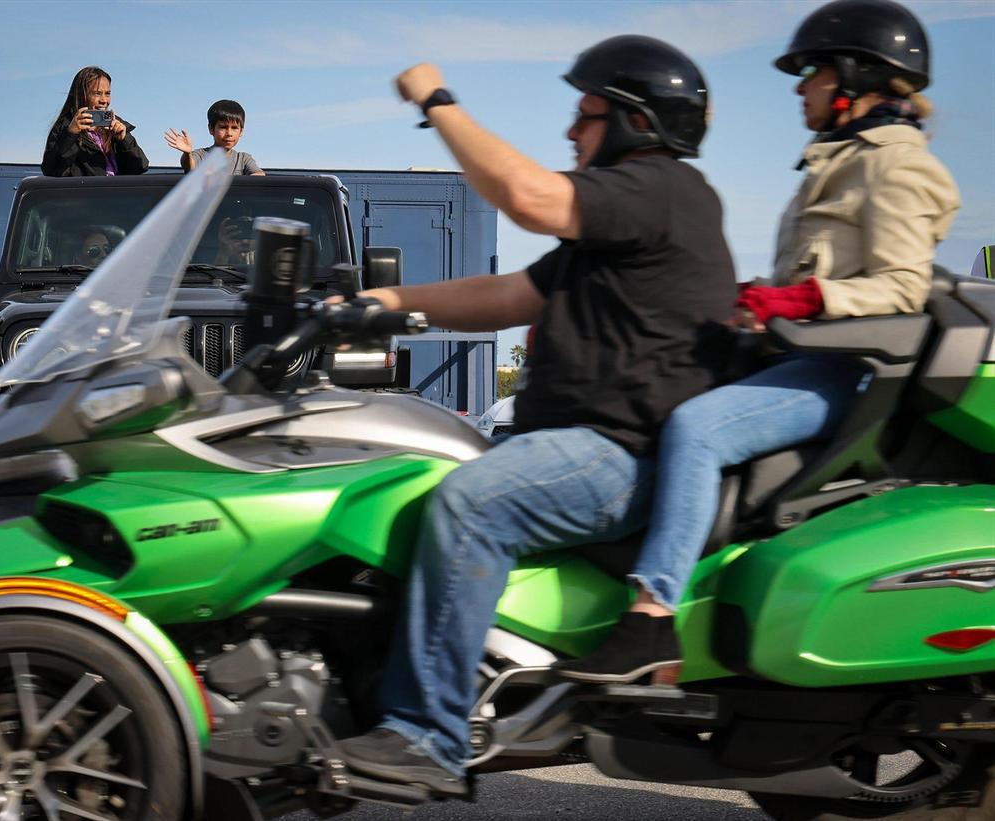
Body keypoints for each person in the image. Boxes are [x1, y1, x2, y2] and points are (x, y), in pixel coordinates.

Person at [338, 36, 737, 796]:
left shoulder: (659, 190)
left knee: (470, 503)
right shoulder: (616, 225)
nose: (570, 132)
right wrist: (384, 304)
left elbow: (528, 197)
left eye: (584, 116)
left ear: (635, 124)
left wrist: (436, 101)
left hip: (619, 453)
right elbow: (512, 295)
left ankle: (428, 734)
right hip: (573, 441)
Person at [553, 0, 960, 685]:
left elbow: (901, 287)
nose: (801, 86)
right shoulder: (839, 160)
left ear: (857, 77)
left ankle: (652, 618)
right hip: (795, 354)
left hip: (842, 371)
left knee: (698, 428)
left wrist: (803, 299)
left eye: (813, 73)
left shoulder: (896, 166)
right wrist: (759, 302)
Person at [42, 67, 149, 177]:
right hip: (88, 193)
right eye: (97, 93)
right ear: (81, 95)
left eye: (107, 93)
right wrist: (70, 135)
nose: (104, 100)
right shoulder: (64, 128)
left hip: (117, 192)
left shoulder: (116, 125)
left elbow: (141, 167)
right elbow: (51, 171)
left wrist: (124, 140)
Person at [164, 99, 265, 176]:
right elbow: (190, 166)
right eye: (223, 127)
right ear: (211, 129)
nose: (229, 133)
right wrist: (187, 153)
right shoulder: (201, 155)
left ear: (241, 131)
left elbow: (258, 177)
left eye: (234, 128)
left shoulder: (243, 159)